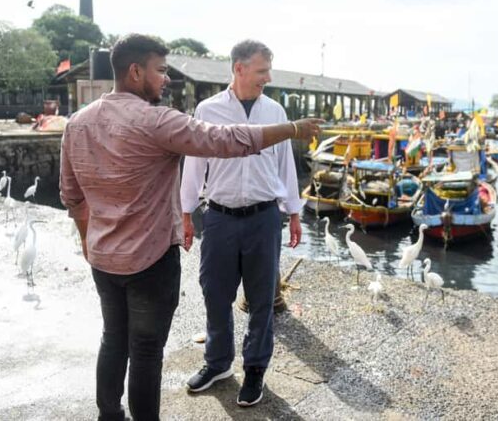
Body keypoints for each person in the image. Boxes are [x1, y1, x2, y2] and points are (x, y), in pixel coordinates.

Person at [59, 34, 321, 421]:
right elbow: (224, 140)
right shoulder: (156, 120)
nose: (167, 79)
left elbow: (72, 196)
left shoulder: (76, 123)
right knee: (147, 349)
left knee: (113, 338)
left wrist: (88, 242)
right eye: (161, 71)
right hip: (150, 258)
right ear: (135, 72)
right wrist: (293, 130)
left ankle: (109, 414)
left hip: (103, 259)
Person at [180, 40, 301, 408]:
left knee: (262, 299)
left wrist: (294, 212)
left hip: (265, 218)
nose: (267, 77)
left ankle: (255, 369)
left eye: (268, 70)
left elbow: (286, 166)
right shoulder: (208, 109)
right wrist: (186, 213)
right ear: (239, 69)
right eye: (262, 70)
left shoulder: (275, 110)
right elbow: (194, 162)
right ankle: (217, 364)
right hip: (218, 217)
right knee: (215, 293)